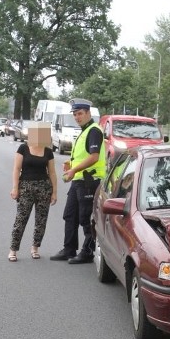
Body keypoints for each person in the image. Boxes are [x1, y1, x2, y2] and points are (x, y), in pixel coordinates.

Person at [50, 98, 106, 264]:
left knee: (85, 218)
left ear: (88, 113)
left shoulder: (94, 130)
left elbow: (94, 157)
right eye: (75, 114)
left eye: (80, 113)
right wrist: (71, 164)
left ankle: (88, 252)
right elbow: (84, 155)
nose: (77, 117)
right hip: (79, 180)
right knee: (69, 215)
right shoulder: (84, 130)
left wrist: (75, 169)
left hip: (89, 180)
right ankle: (69, 249)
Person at [8, 135, 58, 262]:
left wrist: (54, 192)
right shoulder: (23, 148)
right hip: (26, 187)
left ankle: (35, 248)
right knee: (21, 219)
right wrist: (15, 187)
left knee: (41, 220)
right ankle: (13, 250)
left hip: (44, 188)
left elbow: (52, 172)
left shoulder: (48, 151)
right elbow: (16, 169)